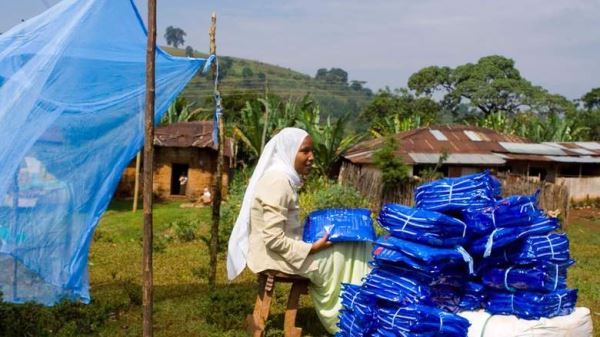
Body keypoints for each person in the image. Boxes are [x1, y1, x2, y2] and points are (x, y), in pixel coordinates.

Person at [226, 127, 371, 334]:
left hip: (277, 250)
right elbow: (274, 240)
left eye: (311, 151)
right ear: (288, 151)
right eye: (305, 151)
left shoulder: (282, 178)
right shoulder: (278, 182)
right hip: (273, 256)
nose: (311, 157)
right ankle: (348, 319)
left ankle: (356, 308)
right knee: (345, 254)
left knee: (354, 246)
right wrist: (311, 248)